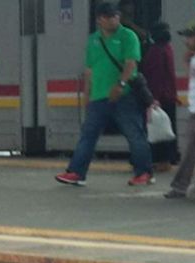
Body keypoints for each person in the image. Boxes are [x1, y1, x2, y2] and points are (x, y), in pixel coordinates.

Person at [55, 2, 152, 187]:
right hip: (98, 97)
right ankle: (76, 172)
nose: (114, 19)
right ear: (100, 19)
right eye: (109, 16)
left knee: (134, 134)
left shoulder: (128, 36)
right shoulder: (93, 40)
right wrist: (87, 95)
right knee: (88, 135)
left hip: (125, 96)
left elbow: (131, 63)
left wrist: (120, 84)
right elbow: (89, 70)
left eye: (116, 15)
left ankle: (144, 172)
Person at [165, 23, 195, 199]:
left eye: (190, 36)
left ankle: (180, 186)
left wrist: (188, 62)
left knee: (189, 152)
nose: (186, 41)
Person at [142, 22, 178, 169]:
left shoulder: (156, 51)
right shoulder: (168, 48)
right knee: (167, 127)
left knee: (158, 128)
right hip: (169, 96)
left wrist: (153, 99)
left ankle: (162, 160)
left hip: (160, 97)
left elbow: (156, 76)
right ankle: (167, 159)